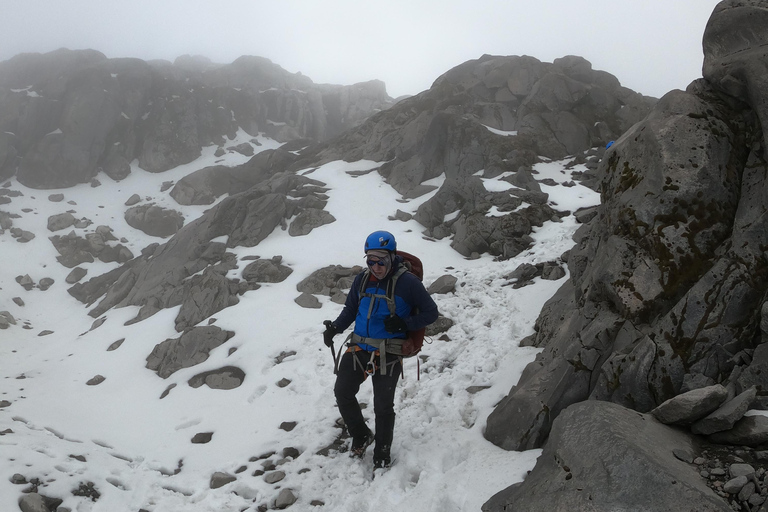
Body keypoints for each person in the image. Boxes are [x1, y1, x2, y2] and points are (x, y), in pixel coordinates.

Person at [323, 230, 438, 469]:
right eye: (370, 260)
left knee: (383, 405)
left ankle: (382, 452)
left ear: (392, 257)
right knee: (343, 391)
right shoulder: (362, 279)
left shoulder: (408, 283)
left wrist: (404, 324)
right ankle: (361, 434)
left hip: (390, 351)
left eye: (380, 261)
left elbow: (431, 313)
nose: (375, 266)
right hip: (359, 346)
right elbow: (351, 309)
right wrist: (335, 328)